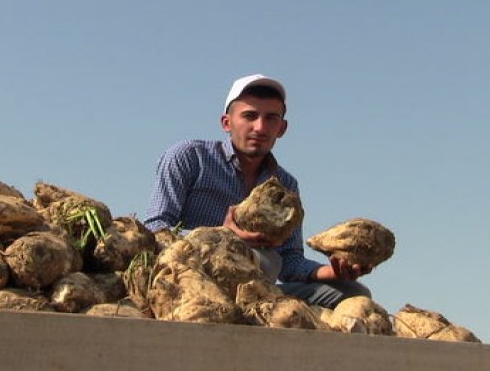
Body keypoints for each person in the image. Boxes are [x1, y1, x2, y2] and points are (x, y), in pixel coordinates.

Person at [143, 74, 372, 309]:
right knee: (263, 259)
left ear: (282, 128)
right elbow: (155, 228)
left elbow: (290, 260)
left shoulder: (285, 185)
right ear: (226, 123)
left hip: (257, 288)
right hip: (189, 280)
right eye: (249, 116)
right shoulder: (190, 157)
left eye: (271, 118)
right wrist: (219, 236)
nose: (260, 127)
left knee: (354, 293)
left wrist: (333, 271)